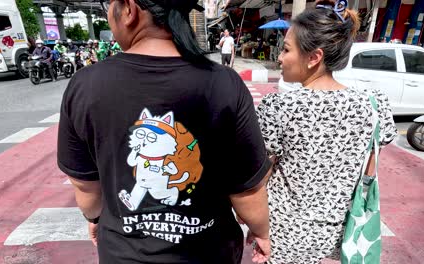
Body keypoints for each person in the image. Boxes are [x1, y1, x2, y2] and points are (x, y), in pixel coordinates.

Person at [57, 0, 272, 263]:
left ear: (129, 9)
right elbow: (247, 188)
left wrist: (95, 217)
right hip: (209, 252)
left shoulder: (86, 85)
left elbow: (85, 186)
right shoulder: (224, 82)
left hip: (123, 253)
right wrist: (262, 231)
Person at [256, 0, 398, 263]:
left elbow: (259, 175)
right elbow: (370, 167)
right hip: (339, 229)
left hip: (284, 232)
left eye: (286, 50)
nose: (279, 58)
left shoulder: (281, 106)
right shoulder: (373, 104)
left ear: (314, 57)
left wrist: (255, 225)